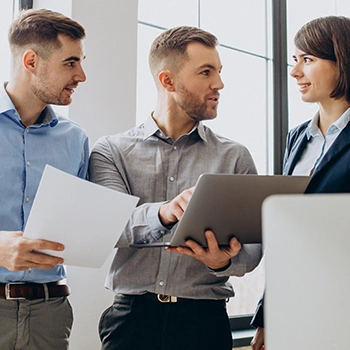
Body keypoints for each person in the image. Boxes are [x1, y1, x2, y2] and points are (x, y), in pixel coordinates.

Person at [89, 26, 262, 350]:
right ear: (167, 81)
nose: (219, 84)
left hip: (204, 324)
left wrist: (221, 262)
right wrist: (164, 212)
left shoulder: (234, 156)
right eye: (206, 72)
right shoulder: (111, 150)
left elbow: (253, 249)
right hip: (130, 324)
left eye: (219, 72)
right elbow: (109, 228)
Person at [250, 15, 350, 350]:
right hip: (299, 308)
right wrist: (267, 316)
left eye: (307, 60)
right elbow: (286, 234)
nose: (295, 72)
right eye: (295, 60)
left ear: (343, 59)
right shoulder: (297, 139)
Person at [0, 8, 88, 350]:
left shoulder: (75, 139)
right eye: (70, 63)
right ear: (31, 61)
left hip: (51, 313)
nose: (81, 75)